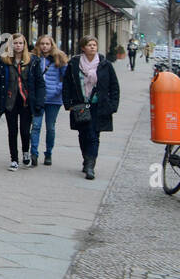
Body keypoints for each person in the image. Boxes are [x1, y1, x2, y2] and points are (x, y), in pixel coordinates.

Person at [62, 35, 120, 180]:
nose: (92, 47)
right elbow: (67, 84)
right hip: (80, 104)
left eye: (94, 44)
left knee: (94, 135)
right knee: (83, 134)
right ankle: (86, 158)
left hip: (98, 105)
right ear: (83, 48)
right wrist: (67, 103)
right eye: (89, 45)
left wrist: (113, 105)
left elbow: (114, 86)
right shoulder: (74, 63)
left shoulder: (105, 65)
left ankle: (90, 165)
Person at [0, 32, 44, 171]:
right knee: (12, 130)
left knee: (25, 131)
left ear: (24, 45)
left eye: (20, 43)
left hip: (26, 101)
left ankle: (26, 153)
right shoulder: (3, 61)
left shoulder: (33, 61)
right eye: (15, 43)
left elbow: (40, 83)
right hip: (10, 100)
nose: (18, 46)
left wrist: (39, 101)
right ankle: (14, 159)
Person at [30, 34, 68, 166]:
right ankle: (33, 153)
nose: (44, 46)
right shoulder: (34, 58)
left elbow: (66, 78)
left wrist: (57, 89)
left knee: (50, 127)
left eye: (47, 44)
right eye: (42, 44)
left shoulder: (59, 57)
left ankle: (48, 153)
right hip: (38, 99)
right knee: (36, 126)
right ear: (38, 45)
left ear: (52, 45)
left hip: (54, 99)